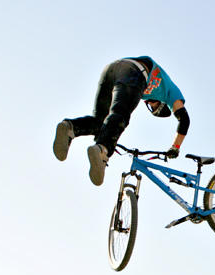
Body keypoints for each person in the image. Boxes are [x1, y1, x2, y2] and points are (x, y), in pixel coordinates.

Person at [53, 56, 189, 186]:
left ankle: (70, 127)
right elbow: (184, 119)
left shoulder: (157, 92)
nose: (148, 103)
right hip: (134, 72)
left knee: (101, 123)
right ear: (162, 105)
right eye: (152, 106)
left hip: (111, 70)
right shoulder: (171, 91)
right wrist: (175, 148)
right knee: (120, 116)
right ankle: (103, 150)